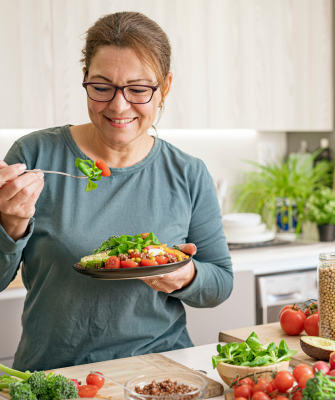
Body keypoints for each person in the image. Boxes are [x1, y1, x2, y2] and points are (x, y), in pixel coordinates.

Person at [0, 12, 233, 371]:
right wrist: (10, 223)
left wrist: (183, 275)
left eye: (138, 89)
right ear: (85, 81)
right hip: (56, 376)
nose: (118, 105)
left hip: (160, 371)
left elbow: (220, 283)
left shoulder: (188, 172)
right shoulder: (34, 157)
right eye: (102, 87)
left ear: (165, 88)